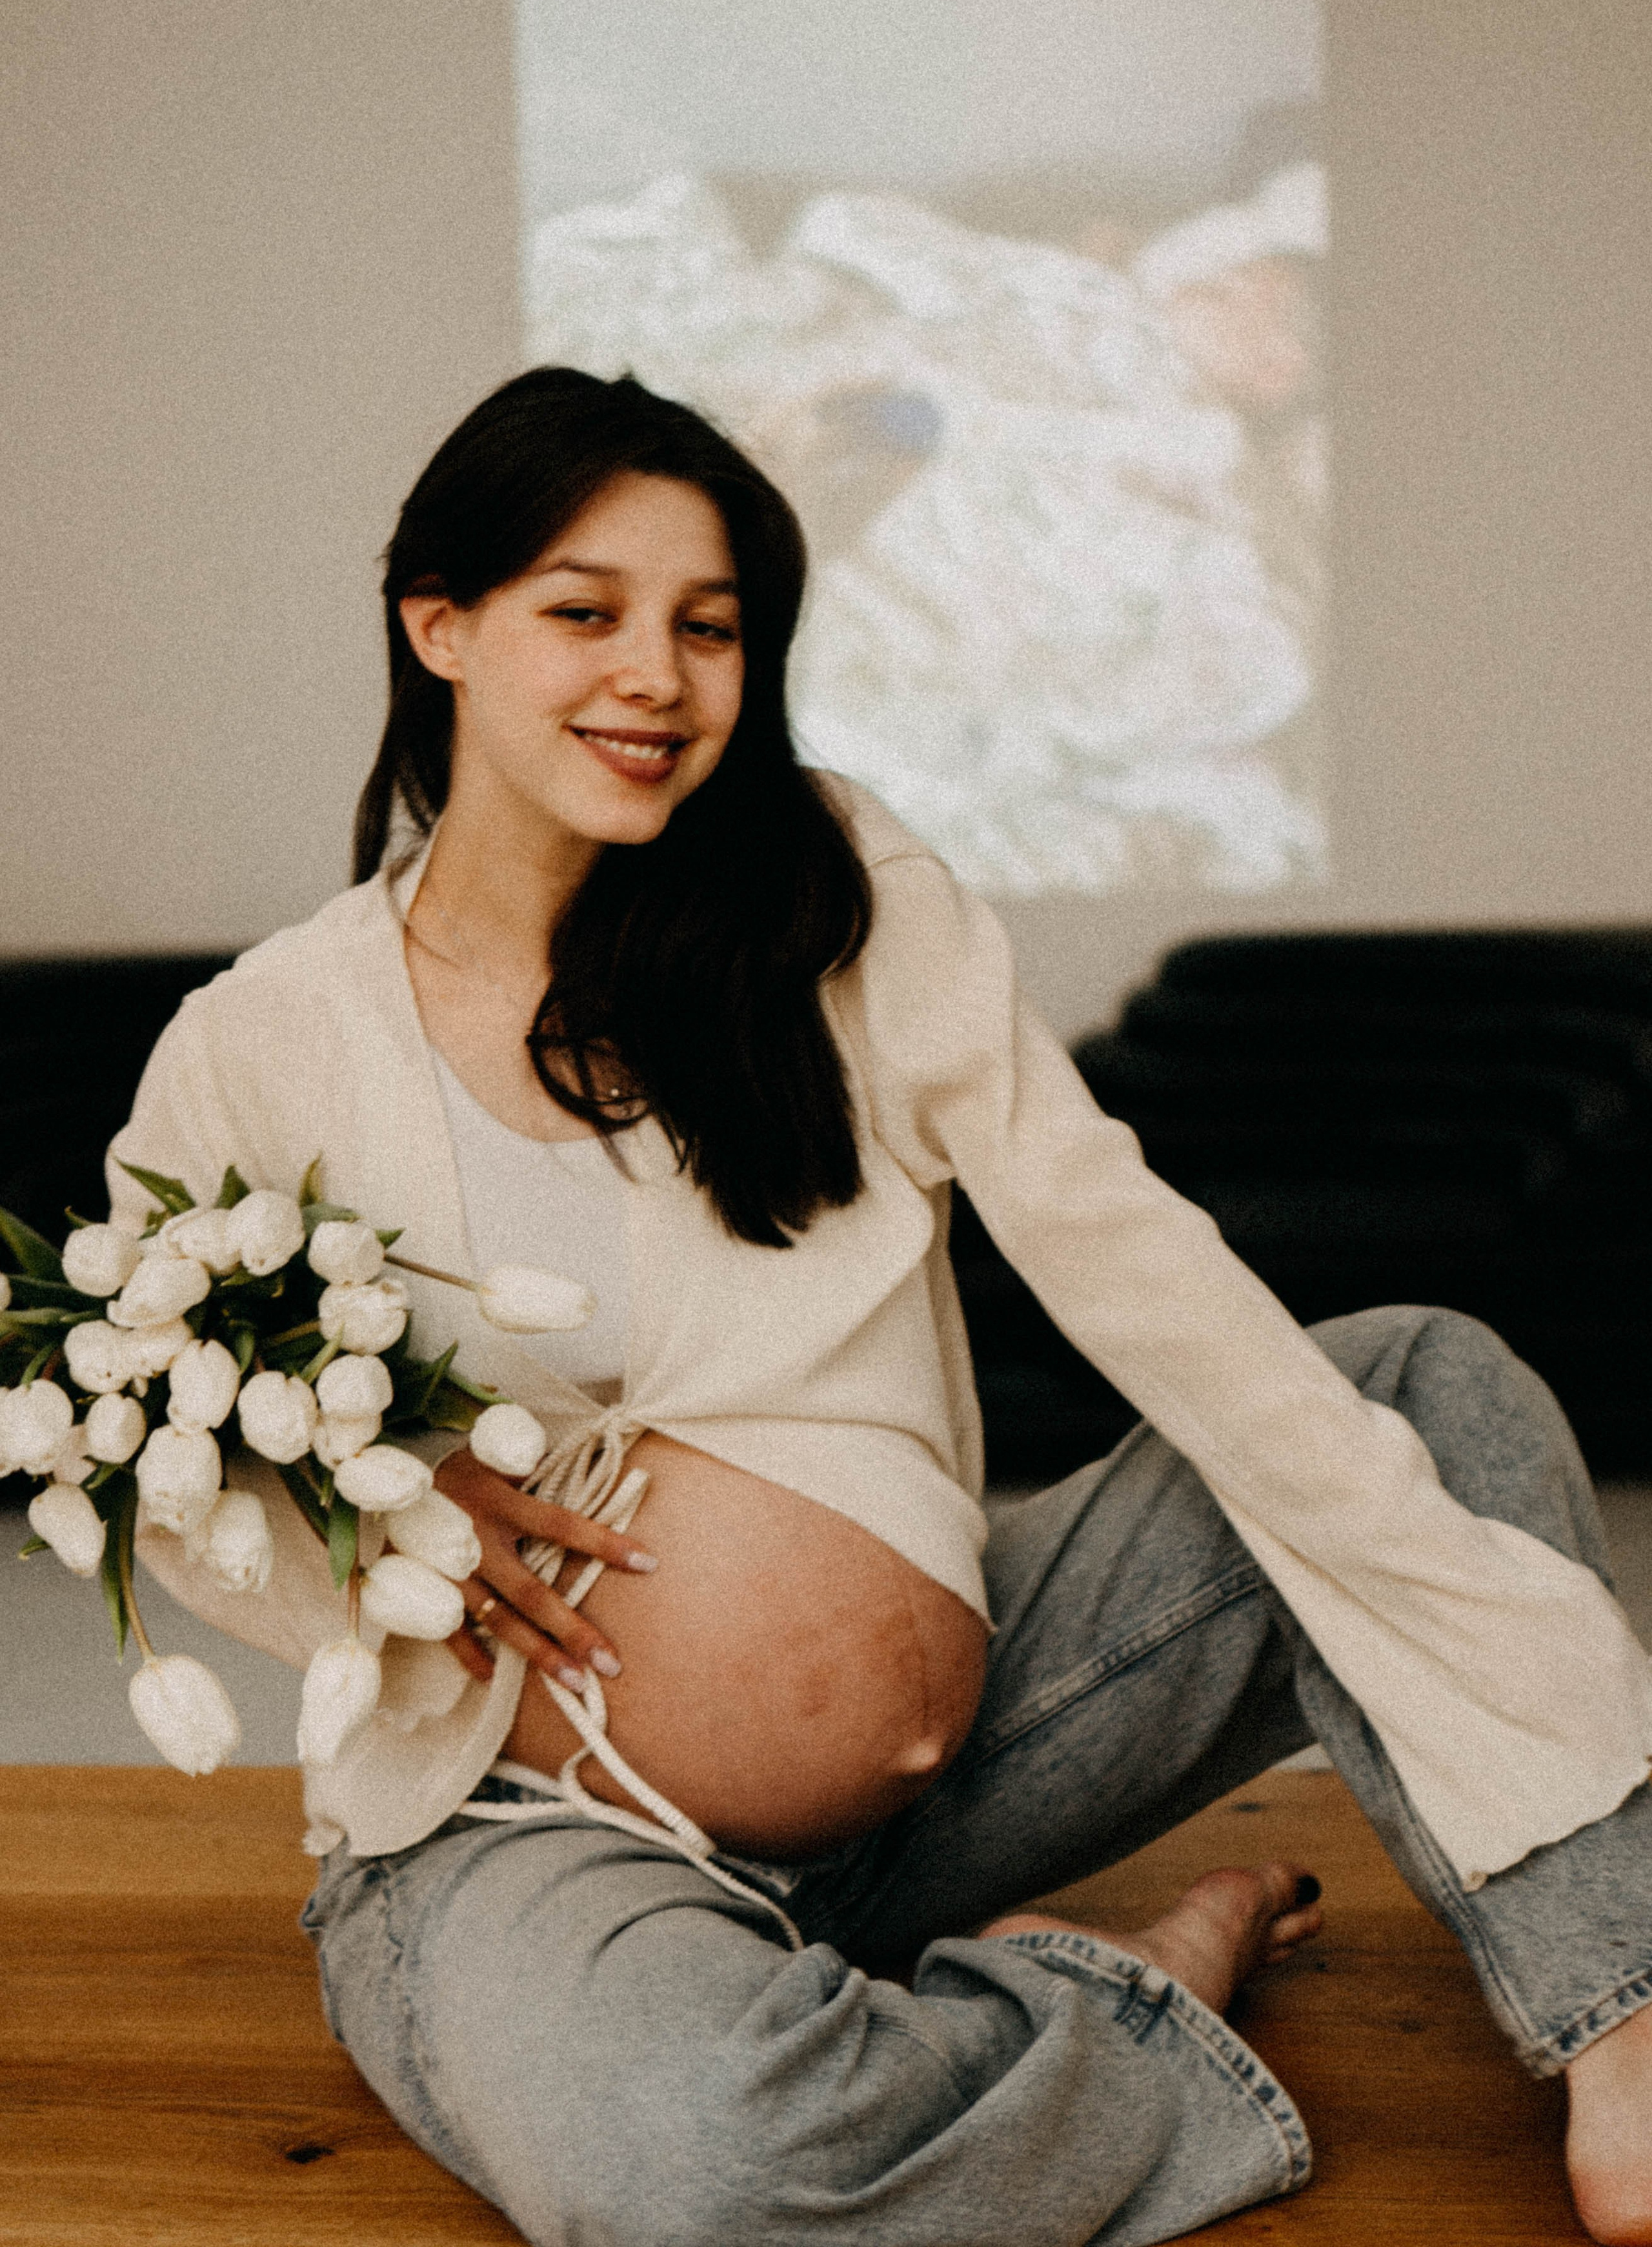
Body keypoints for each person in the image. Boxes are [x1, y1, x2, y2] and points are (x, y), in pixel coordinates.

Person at [114, 368, 1652, 2247]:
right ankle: (1129, 1991)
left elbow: (1128, 1253)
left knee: (1427, 1381)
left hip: (975, 1763)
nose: (656, 678)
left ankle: (1628, 2017)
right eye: (584, 613)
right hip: (534, 1844)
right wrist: (374, 1528)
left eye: (712, 626)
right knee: (707, 2170)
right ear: (441, 626)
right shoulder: (265, 1041)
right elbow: (159, 1455)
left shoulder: (833, 901)